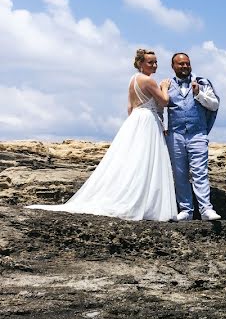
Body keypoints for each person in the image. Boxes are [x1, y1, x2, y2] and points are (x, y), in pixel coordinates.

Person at [28, 50, 178, 221]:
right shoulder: (148, 80)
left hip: (135, 119)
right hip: (147, 120)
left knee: (133, 159)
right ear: (141, 64)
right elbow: (164, 101)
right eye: (150, 62)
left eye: (156, 62)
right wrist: (164, 87)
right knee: (145, 160)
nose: (154, 65)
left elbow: (129, 107)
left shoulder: (133, 79)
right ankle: (144, 202)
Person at [165, 52, 221, 221]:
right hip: (176, 135)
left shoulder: (203, 83)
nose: (185, 66)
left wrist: (198, 94)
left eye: (187, 63)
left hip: (197, 134)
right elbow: (161, 106)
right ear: (173, 66)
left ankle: (206, 209)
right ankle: (186, 210)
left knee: (200, 172)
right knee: (179, 173)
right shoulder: (166, 85)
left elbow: (215, 104)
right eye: (181, 64)